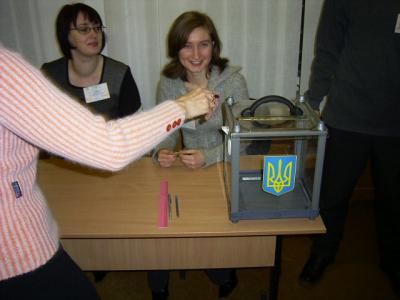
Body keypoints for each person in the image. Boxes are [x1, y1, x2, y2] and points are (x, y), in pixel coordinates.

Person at [0, 46, 216, 300]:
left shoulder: (117, 71)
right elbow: (110, 147)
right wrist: (182, 108)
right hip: (16, 254)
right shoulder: (7, 71)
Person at [299, 0, 400, 297]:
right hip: (346, 115)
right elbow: (328, 49)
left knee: (394, 200)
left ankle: (393, 261)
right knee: (332, 194)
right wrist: (313, 100)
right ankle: (323, 251)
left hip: (396, 123)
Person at [149, 11, 249, 300]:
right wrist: (162, 150)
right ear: (175, 48)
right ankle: (159, 283)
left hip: (223, 164)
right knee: (160, 222)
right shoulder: (169, 82)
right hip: (187, 167)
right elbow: (164, 130)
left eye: (203, 44)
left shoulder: (232, 82)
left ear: (214, 46)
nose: (195, 54)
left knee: (212, 228)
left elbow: (242, 140)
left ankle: (222, 274)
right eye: (186, 45)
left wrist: (210, 156)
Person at [41, 3, 141, 120]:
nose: (94, 34)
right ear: (66, 35)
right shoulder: (49, 74)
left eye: (97, 28)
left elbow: (136, 126)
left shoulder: (119, 74)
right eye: (84, 29)